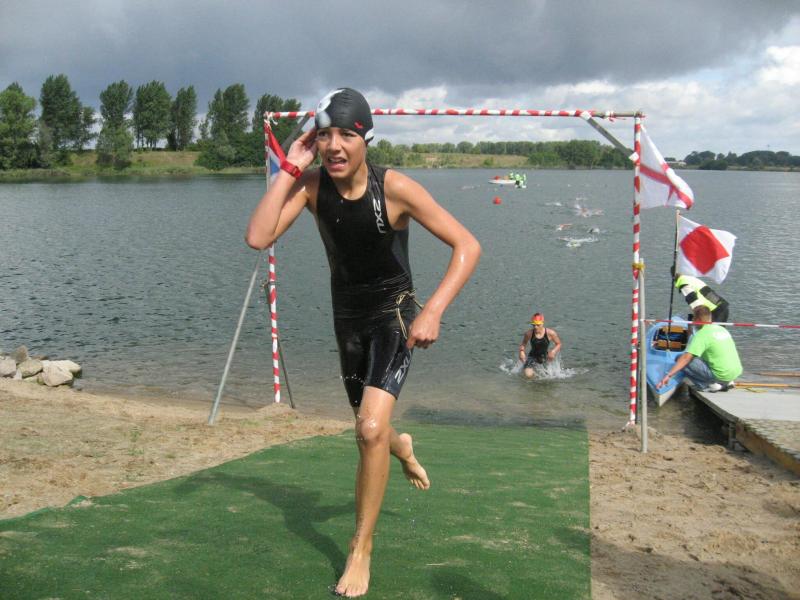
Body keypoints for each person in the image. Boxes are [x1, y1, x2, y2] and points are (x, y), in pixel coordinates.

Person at [245, 87, 481, 598]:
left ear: (365, 139)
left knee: (369, 427)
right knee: (369, 429)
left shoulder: (395, 188)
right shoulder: (311, 187)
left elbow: (468, 244)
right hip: (347, 320)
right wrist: (289, 168)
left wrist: (433, 310)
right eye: (324, 135)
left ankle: (360, 548)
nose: (333, 146)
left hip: (394, 314)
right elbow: (259, 237)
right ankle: (401, 446)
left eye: (345, 136)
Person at [656, 305, 742, 392]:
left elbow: (686, 358)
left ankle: (708, 385)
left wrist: (669, 375)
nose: (693, 321)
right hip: (735, 372)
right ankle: (728, 381)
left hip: (720, 375)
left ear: (699, 320)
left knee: (679, 358)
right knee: (704, 355)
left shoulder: (702, 334)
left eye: (694, 318)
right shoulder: (721, 329)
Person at [518, 312, 562, 379]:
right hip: (532, 356)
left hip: (545, 357)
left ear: (542, 323)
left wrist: (553, 351)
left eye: (538, 325)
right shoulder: (529, 334)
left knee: (548, 376)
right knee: (528, 375)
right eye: (533, 325)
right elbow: (523, 344)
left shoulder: (550, 333)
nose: (535, 327)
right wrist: (521, 351)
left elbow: (559, 343)